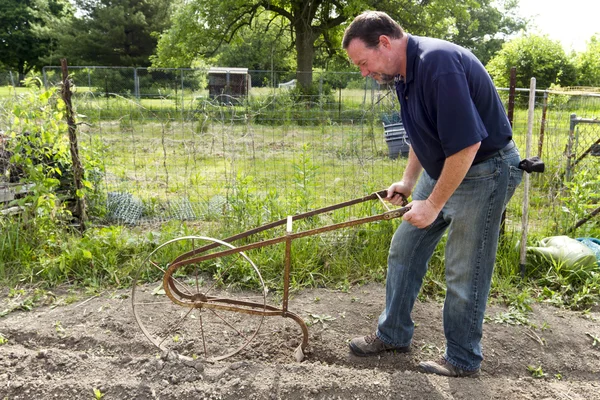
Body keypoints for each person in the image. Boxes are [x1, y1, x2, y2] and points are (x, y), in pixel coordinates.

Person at [342, 11, 523, 377]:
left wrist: (433, 204)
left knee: (464, 269)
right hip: (446, 167)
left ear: (385, 43)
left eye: (363, 62)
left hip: (484, 170)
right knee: (404, 248)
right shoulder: (403, 75)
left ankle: (462, 358)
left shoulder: (437, 63)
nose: (363, 72)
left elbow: (468, 144)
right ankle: (392, 334)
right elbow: (421, 135)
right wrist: (409, 183)